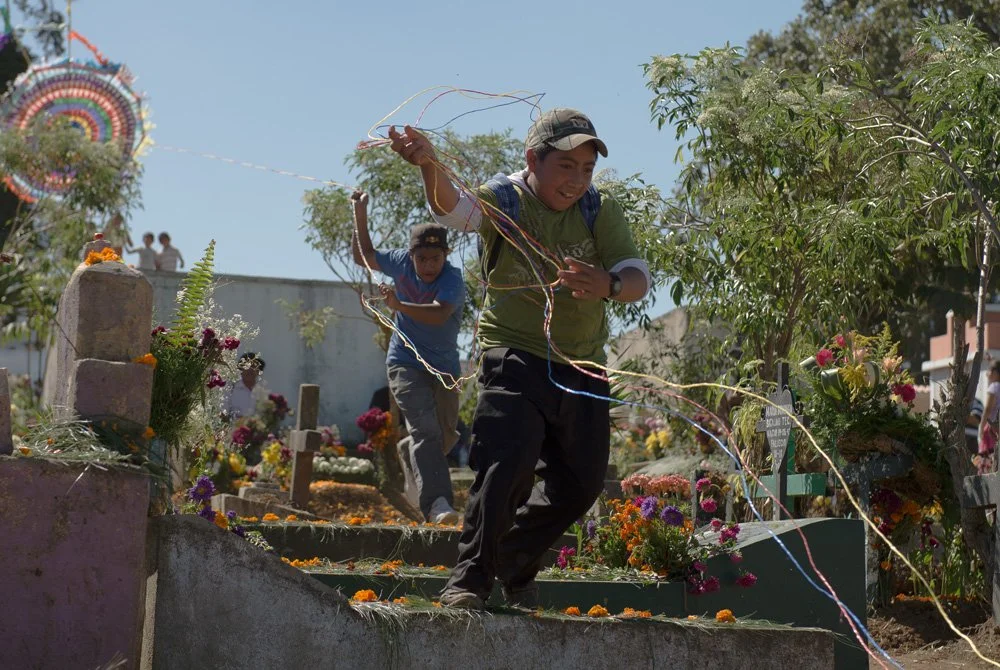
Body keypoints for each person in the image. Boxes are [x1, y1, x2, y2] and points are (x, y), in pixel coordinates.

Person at [388, 108, 650, 609]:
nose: (576, 180)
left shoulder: (599, 209)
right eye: (565, 166)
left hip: (583, 365)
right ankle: (470, 579)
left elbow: (636, 275)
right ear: (533, 159)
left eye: (587, 169)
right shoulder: (504, 198)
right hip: (513, 354)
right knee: (506, 464)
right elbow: (454, 211)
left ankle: (512, 559)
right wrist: (429, 165)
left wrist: (609, 284)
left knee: (582, 484)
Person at [351, 190, 466, 525]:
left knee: (444, 436)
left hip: (444, 367)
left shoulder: (453, 279)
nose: (428, 265)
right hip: (405, 361)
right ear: (411, 255)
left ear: (446, 255)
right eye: (422, 258)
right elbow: (364, 256)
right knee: (425, 430)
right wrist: (360, 212)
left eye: (435, 258)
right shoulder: (400, 263)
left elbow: (439, 314)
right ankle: (437, 504)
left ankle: (409, 452)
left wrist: (399, 306)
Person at [226, 352, 268, 421]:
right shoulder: (230, 389)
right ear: (240, 369)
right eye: (246, 366)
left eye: (253, 366)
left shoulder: (262, 392)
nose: (250, 370)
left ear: (259, 371)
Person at [978, 361, 1000, 473]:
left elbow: (987, 409)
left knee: (987, 461)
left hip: (991, 429)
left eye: (989, 370)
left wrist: (981, 427)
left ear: (996, 372)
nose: (987, 373)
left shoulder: (994, 387)